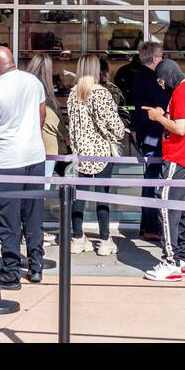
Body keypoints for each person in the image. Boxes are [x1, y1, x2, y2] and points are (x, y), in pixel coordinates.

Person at [0, 45, 48, 288]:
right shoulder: (33, 82)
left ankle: (10, 271)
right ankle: (36, 265)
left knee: (8, 220)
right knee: (34, 214)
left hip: (6, 161)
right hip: (35, 156)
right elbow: (41, 115)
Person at [143, 60, 185, 281]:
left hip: (177, 156)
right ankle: (183, 258)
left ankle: (170, 261)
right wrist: (163, 116)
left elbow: (180, 128)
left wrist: (159, 118)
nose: (160, 85)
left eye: (160, 80)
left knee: (166, 206)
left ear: (166, 76)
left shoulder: (181, 93)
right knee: (182, 210)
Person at [65, 53, 128, 256]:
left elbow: (72, 126)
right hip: (101, 151)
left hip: (80, 152)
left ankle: (76, 237)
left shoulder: (73, 93)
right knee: (102, 196)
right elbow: (115, 125)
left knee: (79, 197)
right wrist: (121, 130)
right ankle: (104, 239)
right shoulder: (101, 93)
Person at [130, 41, 169, 242]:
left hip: (147, 134)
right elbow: (164, 102)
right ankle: (151, 224)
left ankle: (149, 224)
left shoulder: (139, 77)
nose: (163, 60)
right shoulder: (151, 79)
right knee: (153, 178)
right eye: (161, 56)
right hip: (153, 134)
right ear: (154, 59)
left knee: (151, 177)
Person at [27, 53, 66, 183]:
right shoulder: (46, 96)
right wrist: (67, 136)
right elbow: (56, 122)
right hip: (47, 145)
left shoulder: (26, 90)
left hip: (27, 144)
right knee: (43, 184)